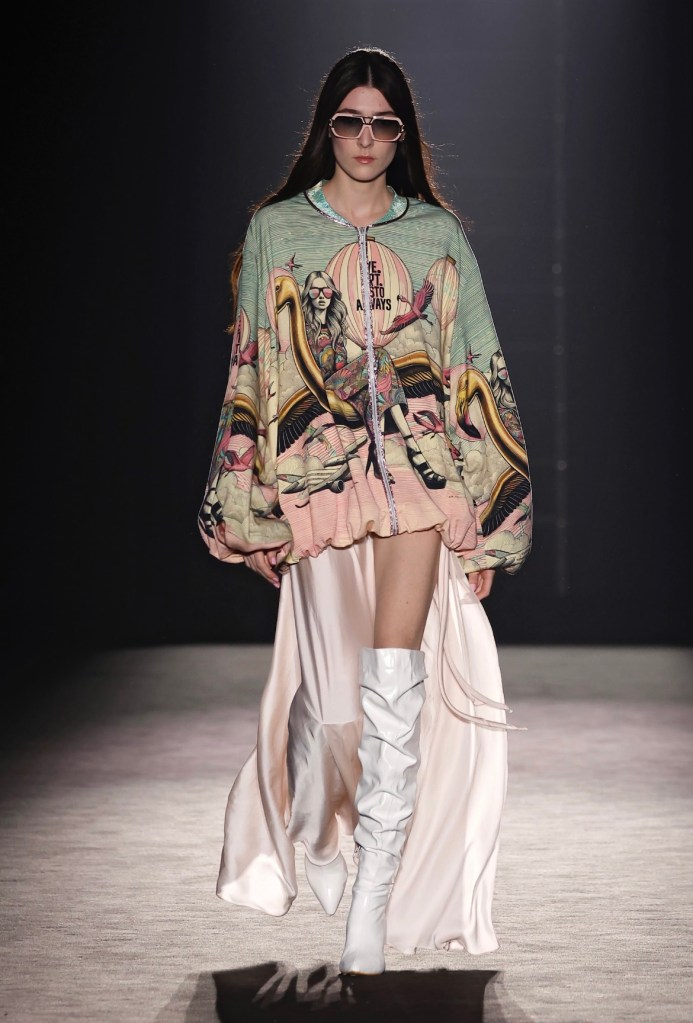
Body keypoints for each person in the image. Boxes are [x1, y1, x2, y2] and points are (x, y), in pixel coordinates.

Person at [198, 46, 532, 976]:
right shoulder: (277, 230)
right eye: (349, 120)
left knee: (394, 693)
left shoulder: (437, 236)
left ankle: (371, 908)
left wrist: (492, 520)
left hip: (421, 482)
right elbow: (251, 370)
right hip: (316, 481)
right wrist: (246, 511)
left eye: (383, 124)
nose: (365, 138)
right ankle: (316, 820)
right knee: (334, 708)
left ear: (401, 136)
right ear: (327, 129)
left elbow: (476, 368)